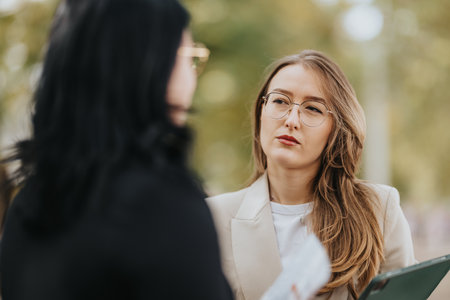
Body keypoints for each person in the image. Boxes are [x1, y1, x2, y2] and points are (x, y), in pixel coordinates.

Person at [0, 0, 232, 299]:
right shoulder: (161, 207)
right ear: (149, 69)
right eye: (187, 57)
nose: (191, 77)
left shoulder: (28, 206)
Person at [206, 50, 416, 300]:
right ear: (261, 110)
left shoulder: (378, 209)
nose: (291, 120)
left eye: (313, 109)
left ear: (337, 129)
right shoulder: (213, 217)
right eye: (280, 101)